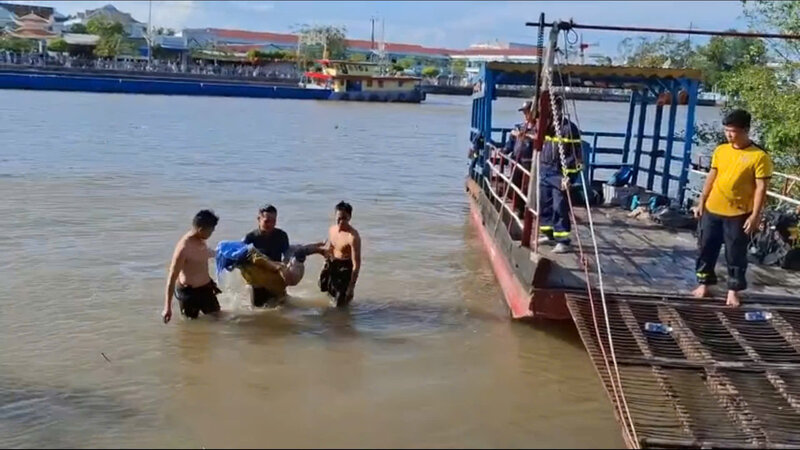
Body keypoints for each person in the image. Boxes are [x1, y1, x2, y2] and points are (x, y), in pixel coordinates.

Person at [692, 109, 773, 307]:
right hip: (713, 208)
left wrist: (755, 216)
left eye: (733, 131)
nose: (729, 135)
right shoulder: (721, 150)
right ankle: (704, 283)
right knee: (706, 247)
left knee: (735, 252)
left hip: (738, 213)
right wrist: (701, 201)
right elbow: (712, 176)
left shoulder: (759, 156)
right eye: (726, 130)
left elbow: (761, 188)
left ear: (746, 130)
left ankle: (733, 290)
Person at [538, 95, 583, 254]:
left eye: (554, 108)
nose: (551, 111)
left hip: (560, 173)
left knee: (559, 206)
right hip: (545, 170)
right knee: (545, 204)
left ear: (559, 109)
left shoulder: (569, 129)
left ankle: (563, 241)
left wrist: (568, 177)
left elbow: (576, 156)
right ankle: (548, 234)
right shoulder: (546, 127)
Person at [163, 210, 220, 323]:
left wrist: (222, 254)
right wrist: (167, 307)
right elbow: (172, 277)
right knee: (190, 325)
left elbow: (202, 254)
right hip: (189, 294)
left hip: (206, 289)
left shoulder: (200, 239)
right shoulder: (184, 248)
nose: (212, 233)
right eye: (211, 230)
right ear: (201, 230)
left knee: (218, 319)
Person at [242, 204, 290, 307]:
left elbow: (287, 254)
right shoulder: (250, 238)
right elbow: (242, 259)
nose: (271, 224)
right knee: (259, 311)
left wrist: (287, 266)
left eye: (273, 221)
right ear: (259, 219)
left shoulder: (281, 236)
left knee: (282, 309)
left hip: (276, 277)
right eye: (267, 221)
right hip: (258, 282)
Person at [319, 201, 361, 307]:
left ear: (349, 217)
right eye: (339, 218)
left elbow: (356, 264)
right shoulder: (332, 229)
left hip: (345, 267)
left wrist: (351, 287)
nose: (341, 221)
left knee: (341, 302)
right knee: (325, 288)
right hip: (333, 263)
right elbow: (331, 248)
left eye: (344, 218)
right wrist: (325, 264)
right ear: (335, 216)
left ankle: (343, 314)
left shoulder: (353, 237)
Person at [505, 100, 536, 217]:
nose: (525, 115)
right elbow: (510, 143)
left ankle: (526, 210)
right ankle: (518, 208)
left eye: (527, 112)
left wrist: (527, 136)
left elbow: (538, 141)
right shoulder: (520, 127)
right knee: (515, 184)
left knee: (526, 187)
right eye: (524, 112)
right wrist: (504, 150)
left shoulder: (537, 129)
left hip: (529, 162)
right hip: (517, 160)